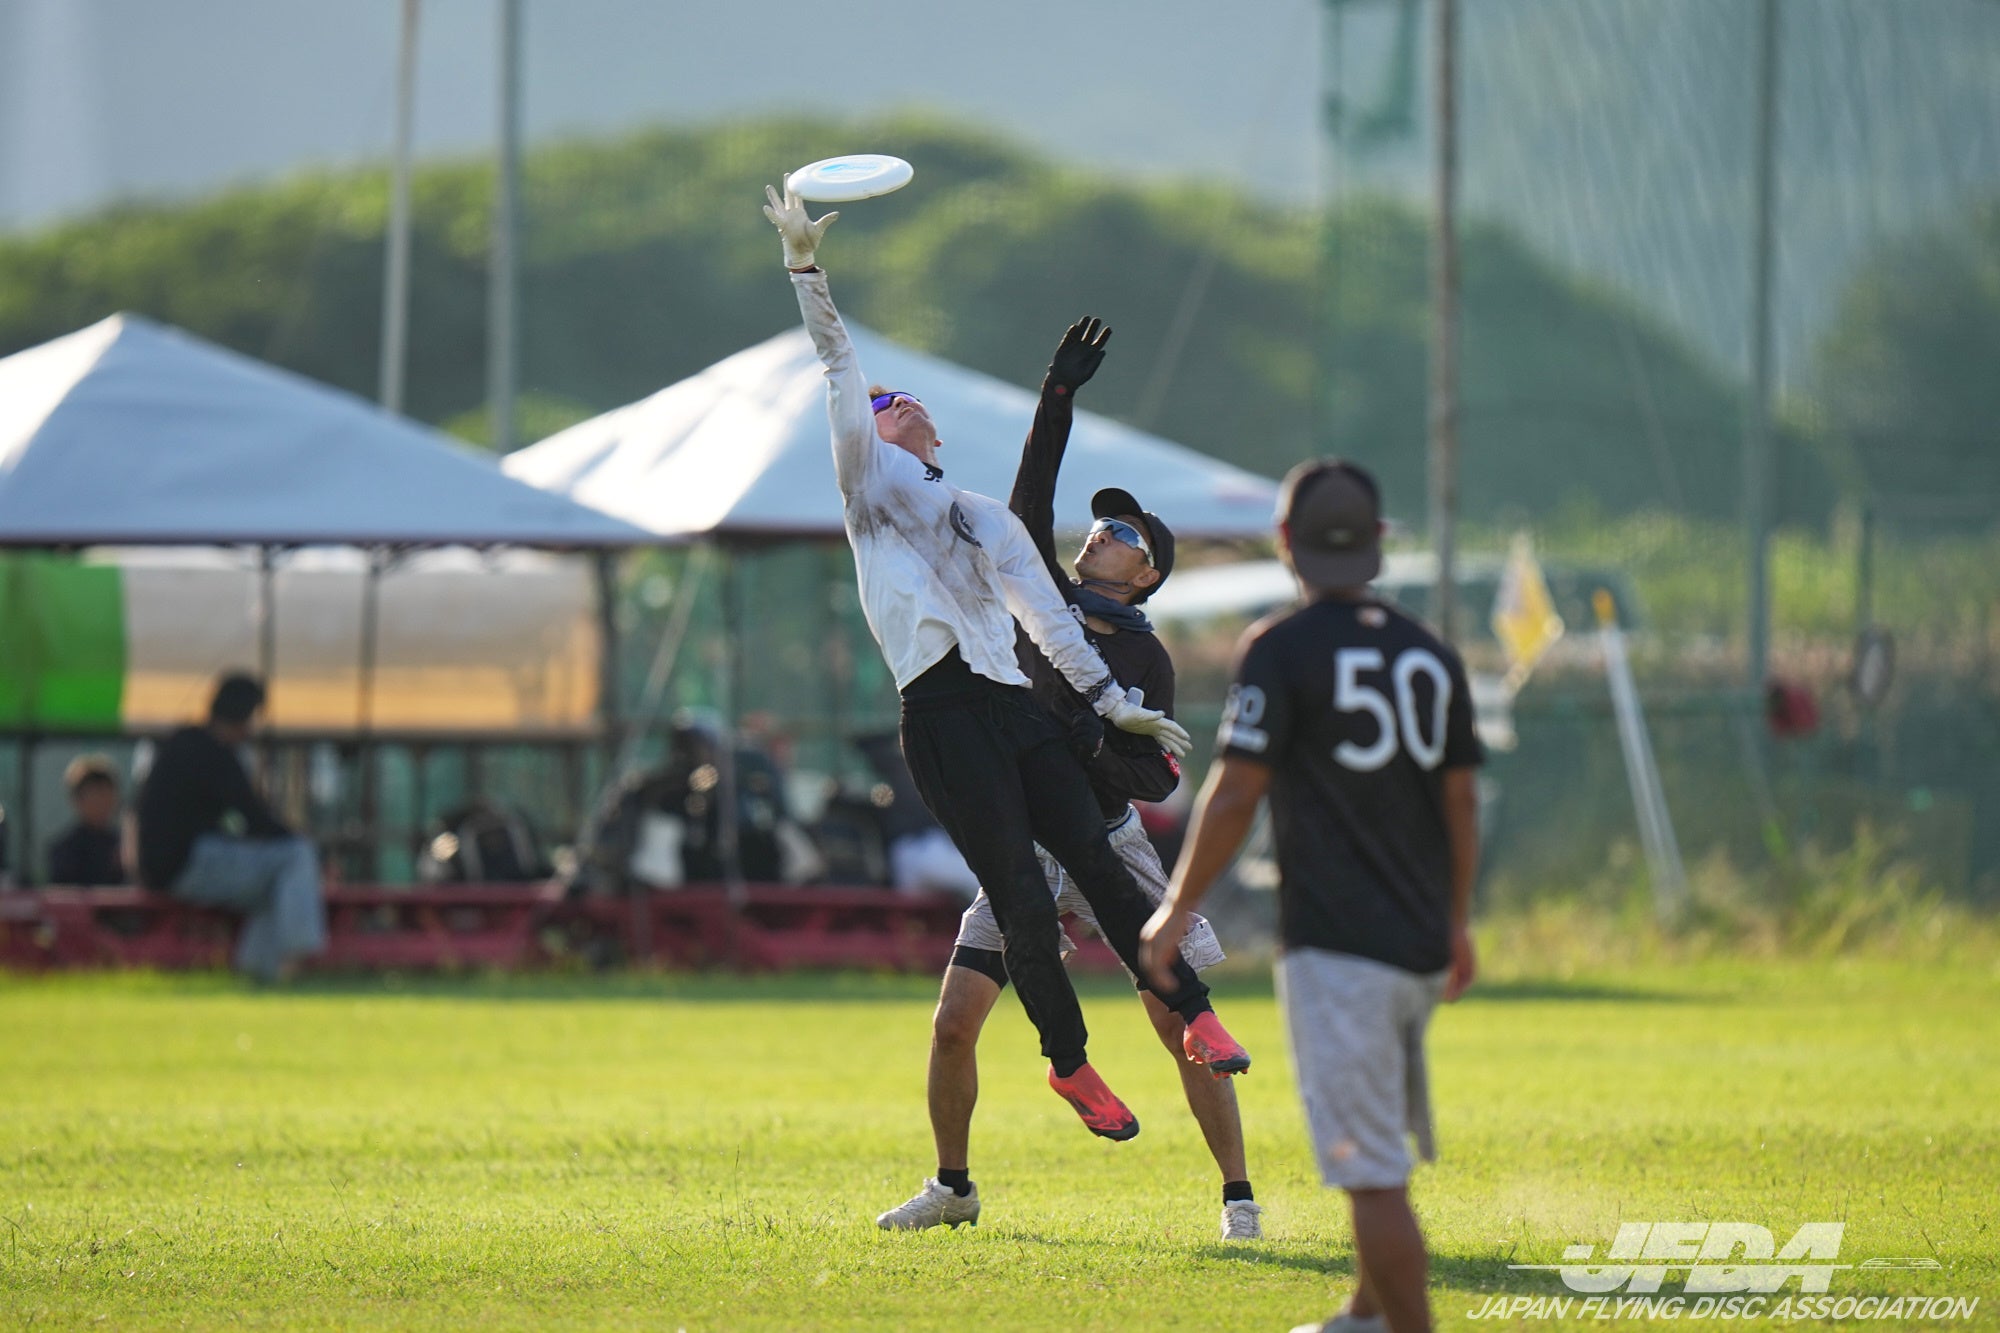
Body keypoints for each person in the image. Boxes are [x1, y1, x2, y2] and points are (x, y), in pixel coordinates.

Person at [764, 179, 1246, 1146]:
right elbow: (838, 364)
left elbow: (1052, 624)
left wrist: (1115, 706)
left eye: (899, 400)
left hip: (1009, 708)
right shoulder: (867, 484)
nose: (884, 404)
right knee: (1021, 900)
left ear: (932, 430)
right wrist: (805, 269)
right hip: (942, 716)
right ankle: (1070, 1064)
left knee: (1101, 868)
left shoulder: (983, 518)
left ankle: (1197, 1017)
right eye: (877, 405)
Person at [877, 316, 1261, 1240]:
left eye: (1121, 532)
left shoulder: (1146, 657)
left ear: (1149, 573)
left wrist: (1085, 738)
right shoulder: (1036, 592)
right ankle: (953, 1187)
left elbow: (1154, 778)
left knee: (1179, 1025)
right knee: (953, 1023)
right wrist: (1058, 395)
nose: (1098, 534)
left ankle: (1239, 1198)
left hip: (1106, 841)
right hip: (1025, 840)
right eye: (1098, 524)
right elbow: (1030, 494)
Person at [1141, 460, 1483, 1333]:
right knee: (1377, 1142)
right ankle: (1365, 1311)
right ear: (1378, 542)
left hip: (1339, 944)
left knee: (1369, 1173)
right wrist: (1457, 919)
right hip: (1416, 938)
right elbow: (1461, 799)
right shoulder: (1429, 650)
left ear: (1286, 542)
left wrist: (1176, 906)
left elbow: (1235, 790)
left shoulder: (1282, 647)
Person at [135, 673, 326, 982]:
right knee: (297, 854)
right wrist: (296, 836)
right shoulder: (212, 751)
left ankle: (257, 972)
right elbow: (255, 818)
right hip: (186, 862)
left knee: (276, 885)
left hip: (163, 865)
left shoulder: (184, 742)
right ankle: (297, 956)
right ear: (243, 717)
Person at [47, 755, 128, 887]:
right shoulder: (65, 850)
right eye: (96, 795)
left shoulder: (124, 847)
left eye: (108, 794)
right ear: (78, 799)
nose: (103, 802)